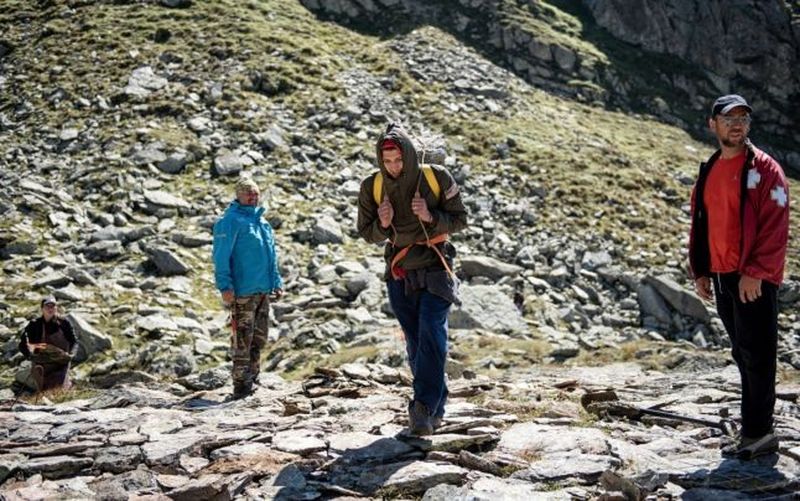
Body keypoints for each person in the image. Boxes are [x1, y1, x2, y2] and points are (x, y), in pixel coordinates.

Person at [688, 94, 790, 460]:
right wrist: (701, 269)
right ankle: (752, 428)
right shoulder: (710, 169)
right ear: (712, 124)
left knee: (758, 354)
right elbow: (702, 223)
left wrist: (756, 272)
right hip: (722, 275)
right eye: (729, 118)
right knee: (742, 352)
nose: (737, 124)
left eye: (743, 118)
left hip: (752, 278)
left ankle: (759, 434)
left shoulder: (764, 169)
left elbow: (776, 226)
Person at [357, 123, 468, 436]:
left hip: (436, 266)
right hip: (400, 271)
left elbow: (460, 219)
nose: (393, 167)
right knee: (416, 340)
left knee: (431, 329)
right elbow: (366, 232)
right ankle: (436, 404)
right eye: (387, 161)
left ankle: (422, 407)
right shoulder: (372, 186)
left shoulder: (436, 177)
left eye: (398, 160)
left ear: (408, 155)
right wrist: (383, 223)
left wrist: (430, 217)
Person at [213, 177, 283, 399]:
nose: (253, 197)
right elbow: (221, 256)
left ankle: (253, 377)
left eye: (255, 193)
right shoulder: (229, 221)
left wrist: (276, 282)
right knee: (243, 338)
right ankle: (241, 385)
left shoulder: (262, 222)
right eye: (247, 193)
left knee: (259, 337)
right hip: (242, 291)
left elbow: (271, 256)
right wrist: (225, 286)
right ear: (238, 195)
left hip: (263, 290)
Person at [18, 296, 78, 392]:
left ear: (56, 308)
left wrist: (71, 354)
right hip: (41, 364)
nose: (50, 309)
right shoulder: (34, 325)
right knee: (44, 391)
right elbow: (22, 344)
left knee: (59, 390)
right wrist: (30, 356)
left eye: (53, 306)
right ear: (42, 309)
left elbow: (74, 341)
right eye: (47, 306)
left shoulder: (64, 323)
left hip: (61, 363)